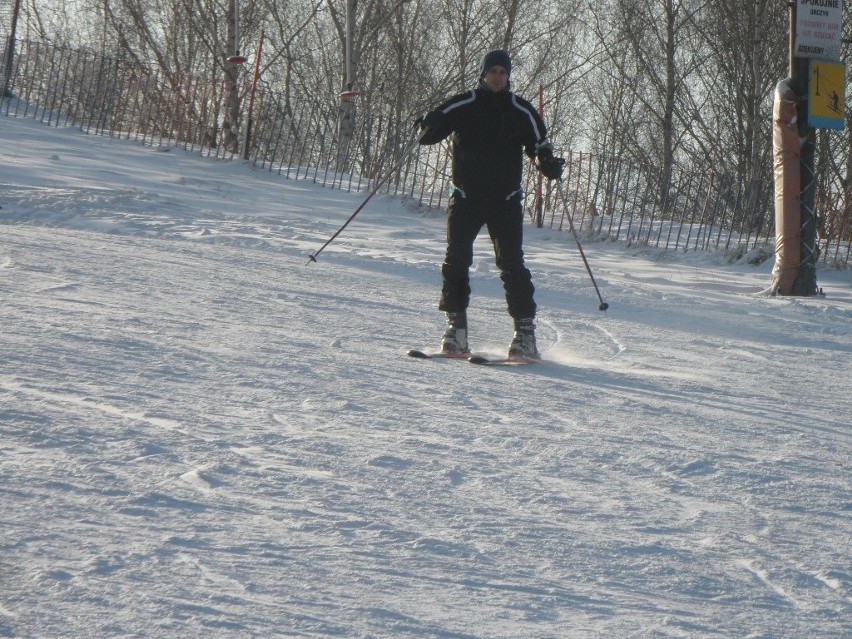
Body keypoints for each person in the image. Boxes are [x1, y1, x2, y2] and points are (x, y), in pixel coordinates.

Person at [418, 48, 564, 359]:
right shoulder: (464, 103)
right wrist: (429, 123)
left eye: (502, 72)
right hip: (466, 198)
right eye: (492, 71)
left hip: (505, 201)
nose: (497, 77)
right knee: (456, 260)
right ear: (483, 74)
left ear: (508, 76)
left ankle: (525, 334)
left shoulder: (521, 111)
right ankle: (456, 330)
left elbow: (540, 146)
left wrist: (548, 163)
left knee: (511, 264)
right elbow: (432, 131)